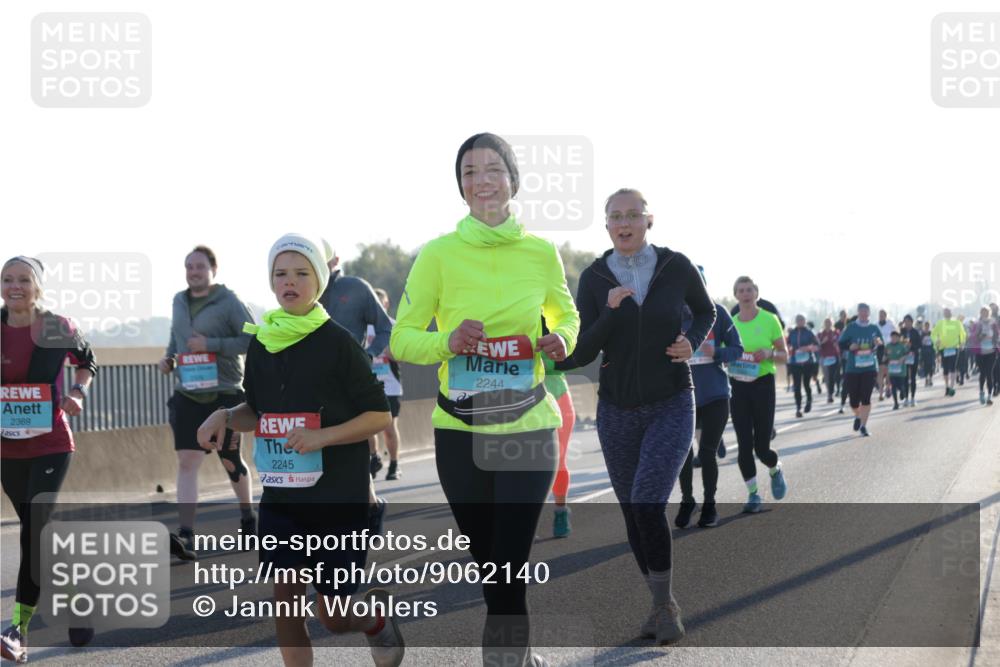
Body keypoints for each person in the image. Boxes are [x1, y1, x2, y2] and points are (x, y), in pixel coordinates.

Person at [390, 133, 580, 666]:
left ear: (512, 179)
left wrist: (561, 338)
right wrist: (445, 341)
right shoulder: (438, 255)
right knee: (491, 566)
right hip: (461, 431)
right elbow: (401, 338)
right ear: (461, 187)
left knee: (510, 565)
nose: (482, 180)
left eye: (493, 168)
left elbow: (567, 316)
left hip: (528, 425)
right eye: (469, 172)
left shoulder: (541, 253)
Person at [197, 234, 402, 667]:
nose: (289, 281)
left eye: (301, 273)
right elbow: (257, 408)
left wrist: (322, 437)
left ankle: (374, 622)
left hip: (338, 498)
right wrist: (227, 416)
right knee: (286, 605)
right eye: (280, 273)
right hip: (283, 496)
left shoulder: (338, 343)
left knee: (334, 617)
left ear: (320, 281)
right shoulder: (264, 340)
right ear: (271, 281)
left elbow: (379, 416)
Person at [558, 187, 713, 645]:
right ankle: (659, 602)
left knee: (647, 500)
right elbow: (584, 347)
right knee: (632, 511)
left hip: (671, 400)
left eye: (632, 215)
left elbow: (706, 310)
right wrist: (609, 314)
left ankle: (665, 606)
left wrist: (692, 340)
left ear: (649, 220)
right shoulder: (593, 277)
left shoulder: (676, 266)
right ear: (606, 226)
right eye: (614, 217)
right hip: (617, 408)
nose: (623, 223)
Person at [1, 256, 97, 663]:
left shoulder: (55, 325)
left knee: (33, 532)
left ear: (38, 286)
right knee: (38, 533)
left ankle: (16, 631)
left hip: (52, 442)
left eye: (24, 279)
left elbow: (87, 361)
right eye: (8, 279)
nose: (15, 286)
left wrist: (78, 391)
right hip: (7, 447)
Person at [158, 246, 256, 560]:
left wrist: (210, 344)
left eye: (199, 266)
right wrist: (170, 357)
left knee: (230, 462)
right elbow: (178, 335)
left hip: (225, 394)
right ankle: (186, 534)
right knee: (188, 461)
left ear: (213, 269)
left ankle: (248, 518)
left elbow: (251, 338)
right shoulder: (178, 300)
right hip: (187, 392)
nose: (193, 272)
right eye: (189, 267)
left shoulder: (229, 301)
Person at [317, 240, 393, 477]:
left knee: (351, 445)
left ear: (335, 261)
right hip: (313, 378)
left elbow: (385, 328)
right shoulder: (302, 291)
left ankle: (368, 499)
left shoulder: (356, 288)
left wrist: (367, 356)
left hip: (350, 376)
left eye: (323, 260)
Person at [676, 268, 742, 530]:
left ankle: (710, 505)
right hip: (682, 396)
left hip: (715, 394)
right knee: (682, 454)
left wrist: (716, 353)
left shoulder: (718, 313)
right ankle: (687, 500)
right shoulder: (672, 315)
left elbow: (737, 349)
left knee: (707, 453)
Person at [729, 276, 788, 514]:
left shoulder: (769, 319)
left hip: (763, 383)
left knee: (761, 448)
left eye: (749, 290)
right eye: (741, 290)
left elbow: (784, 354)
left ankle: (775, 468)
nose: (745, 294)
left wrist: (769, 352)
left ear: (756, 293)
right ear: (736, 295)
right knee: (743, 445)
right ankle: (753, 494)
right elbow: (725, 352)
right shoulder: (731, 323)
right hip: (738, 385)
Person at [544, 318, 575, 538]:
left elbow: (570, 358)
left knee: (558, 462)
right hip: (520, 399)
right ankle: (522, 521)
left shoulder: (554, 318)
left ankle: (560, 511)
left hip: (558, 395)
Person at [370, 288, 403, 480]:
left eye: (380, 302)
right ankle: (374, 458)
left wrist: (384, 347)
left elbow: (403, 356)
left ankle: (394, 464)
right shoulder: (363, 327)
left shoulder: (393, 326)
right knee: (368, 428)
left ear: (386, 304)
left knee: (389, 429)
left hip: (390, 386)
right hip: (369, 385)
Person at [839, 303, 883, 437]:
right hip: (853, 368)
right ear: (858, 312)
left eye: (866, 311)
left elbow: (881, 346)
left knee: (866, 397)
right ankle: (858, 415)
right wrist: (849, 346)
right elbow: (841, 343)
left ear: (869, 313)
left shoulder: (874, 328)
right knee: (853, 401)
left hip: (869, 368)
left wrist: (878, 344)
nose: (864, 314)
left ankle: (863, 426)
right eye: (861, 311)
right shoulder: (851, 327)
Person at [787, 314, 819, 418]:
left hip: (808, 362)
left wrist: (808, 348)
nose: (800, 321)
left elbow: (818, 346)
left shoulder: (810, 332)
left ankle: (809, 401)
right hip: (795, 362)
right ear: (796, 321)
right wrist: (789, 348)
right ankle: (798, 408)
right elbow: (786, 345)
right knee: (796, 386)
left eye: (802, 320)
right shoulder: (792, 333)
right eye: (798, 320)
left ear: (805, 321)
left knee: (806, 384)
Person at [932, 308, 967, 397]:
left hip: (954, 348)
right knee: (945, 369)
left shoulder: (957, 322)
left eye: (949, 312)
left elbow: (962, 333)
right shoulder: (940, 323)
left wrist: (962, 343)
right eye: (946, 312)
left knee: (953, 367)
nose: (947, 313)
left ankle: (952, 387)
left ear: (952, 313)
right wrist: (936, 340)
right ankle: (947, 386)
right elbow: (933, 334)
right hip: (943, 349)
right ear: (944, 314)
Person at [969, 306, 999, 405]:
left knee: (989, 373)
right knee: (983, 374)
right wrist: (979, 336)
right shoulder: (977, 324)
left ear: (989, 313)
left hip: (991, 351)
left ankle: (989, 396)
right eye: (983, 312)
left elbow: (998, 335)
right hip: (980, 352)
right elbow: (972, 337)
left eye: (986, 312)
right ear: (980, 313)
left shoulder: (993, 324)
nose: (984, 313)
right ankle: (981, 392)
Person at [817, 317, 842, 404]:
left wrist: (836, 345)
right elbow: (817, 346)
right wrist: (822, 342)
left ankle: (834, 390)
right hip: (824, 357)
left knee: (833, 376)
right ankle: (829, 394)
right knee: (827, 377)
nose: (828, 324)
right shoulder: (820, 334)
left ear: (832, 323)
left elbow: (840, 344)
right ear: (824, 324)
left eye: (829, 322)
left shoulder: (836, 333)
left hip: (834, 357)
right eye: (826, 322)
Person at [900, 314, 922, 406]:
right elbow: (898, 343)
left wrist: (911, 346)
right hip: (904, 357)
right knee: (904, 377)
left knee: (912, 377)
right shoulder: (902, 332)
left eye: (908, 321)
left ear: (912, 322)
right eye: (905, 322)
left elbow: (919, 345)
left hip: (913, 356)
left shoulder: (915, 332)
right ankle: (905, 398)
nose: (907, 323)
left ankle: (912, 398)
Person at [885, 330, 909, 410]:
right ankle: (896, 403)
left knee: (900, 386)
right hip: (892, 371)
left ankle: (902, 392)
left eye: (895, 337)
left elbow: (906, 354)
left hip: (901, 371)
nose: (893, 339)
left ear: (898, 338)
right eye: (892, 337)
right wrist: (885, 359)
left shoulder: (901, 346)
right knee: (893, 387)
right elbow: (885, 356)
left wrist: (902, 358)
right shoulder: (888, 346)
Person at [876, 310, 895, 400]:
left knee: (887, 370)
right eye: (880, 315)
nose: (881, 316)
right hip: (879, 349)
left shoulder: (890, 324)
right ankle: (881, 392)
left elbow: (895, 335)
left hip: (888, 348)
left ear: (886, 316)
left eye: (883, 315)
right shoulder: (876, 325)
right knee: (880, 370)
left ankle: (888, 387)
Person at [920, 321, 936, 386]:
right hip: (924, 352)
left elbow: (934, 341)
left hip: (931, 351)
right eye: (925, 326)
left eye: (928, 326)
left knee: (931, 366)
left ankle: (931, 379)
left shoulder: (931, 333)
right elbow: (920, 343)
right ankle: (926, 379)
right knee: (925, 366)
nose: (926, 327)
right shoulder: (922, 334)